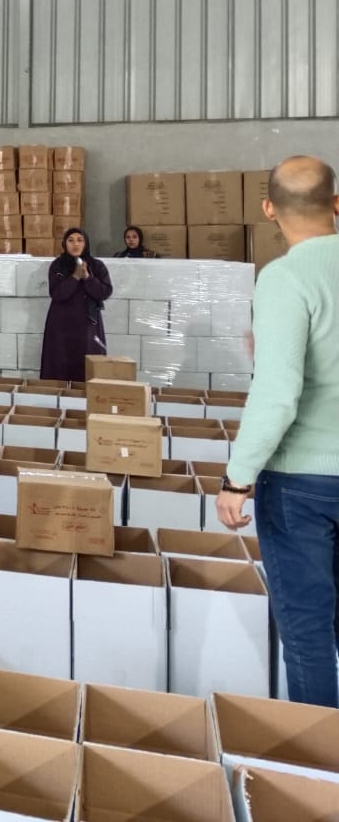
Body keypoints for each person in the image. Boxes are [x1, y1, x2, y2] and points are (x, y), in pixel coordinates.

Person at [217, 156, 339, 707]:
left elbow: (278, 393)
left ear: (269, 209)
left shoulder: (285, 278)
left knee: (309, 635)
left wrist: (237, 478)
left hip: (301, 484)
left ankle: (319, 753)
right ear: (336, 203)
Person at [39, 227, 112, 380]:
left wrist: (88, 278)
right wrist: (75, 277)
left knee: (87, 367)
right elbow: (57, 294)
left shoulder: (96, 266)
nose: (75, 244)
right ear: (65, 244)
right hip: (60, 326)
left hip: (88, 327)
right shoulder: (57, 266)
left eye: (80, 240)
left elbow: (104, 292)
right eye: (71, 240)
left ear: (86, 243)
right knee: (59, 364)